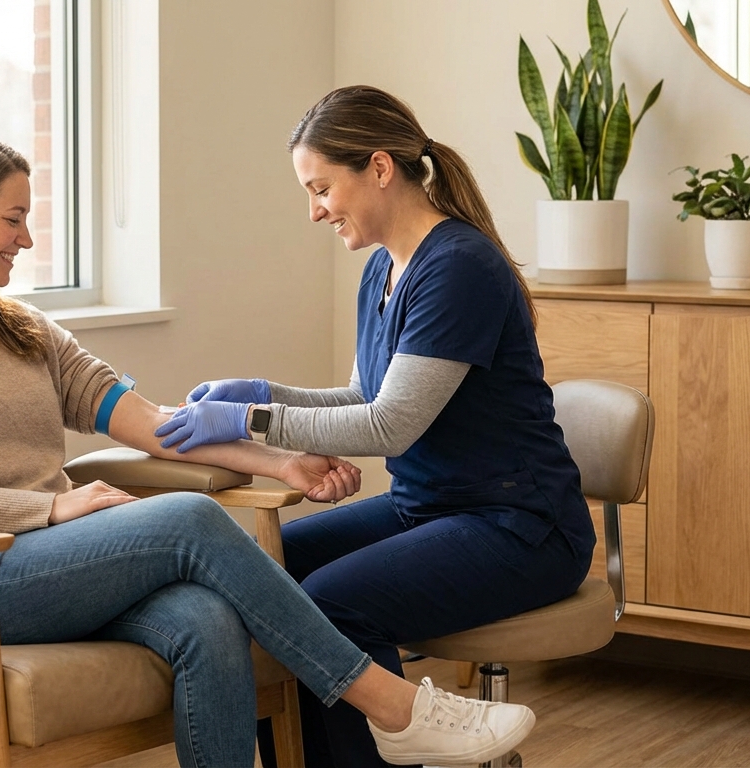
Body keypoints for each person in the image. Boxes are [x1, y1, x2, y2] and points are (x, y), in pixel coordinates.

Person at [0, 129, 538, 768]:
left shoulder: (19, 329)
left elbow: (158, 423)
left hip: (44, 566)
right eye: (13, 219)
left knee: (208, 622)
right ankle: (394, 707)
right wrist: (49, 510)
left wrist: (279, 461)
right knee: (187, 520)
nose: (27, 240)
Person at [156, 86, 596, 767]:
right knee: (259, 573)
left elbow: (389, 426)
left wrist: (249, 418)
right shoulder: (383, 269)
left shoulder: (458, 267)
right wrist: (264, 391)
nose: (314, 211)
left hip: (522, 527)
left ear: (381, 169)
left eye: (322, 187)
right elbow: (366, 396)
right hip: (429, 510)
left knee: (329, 604)